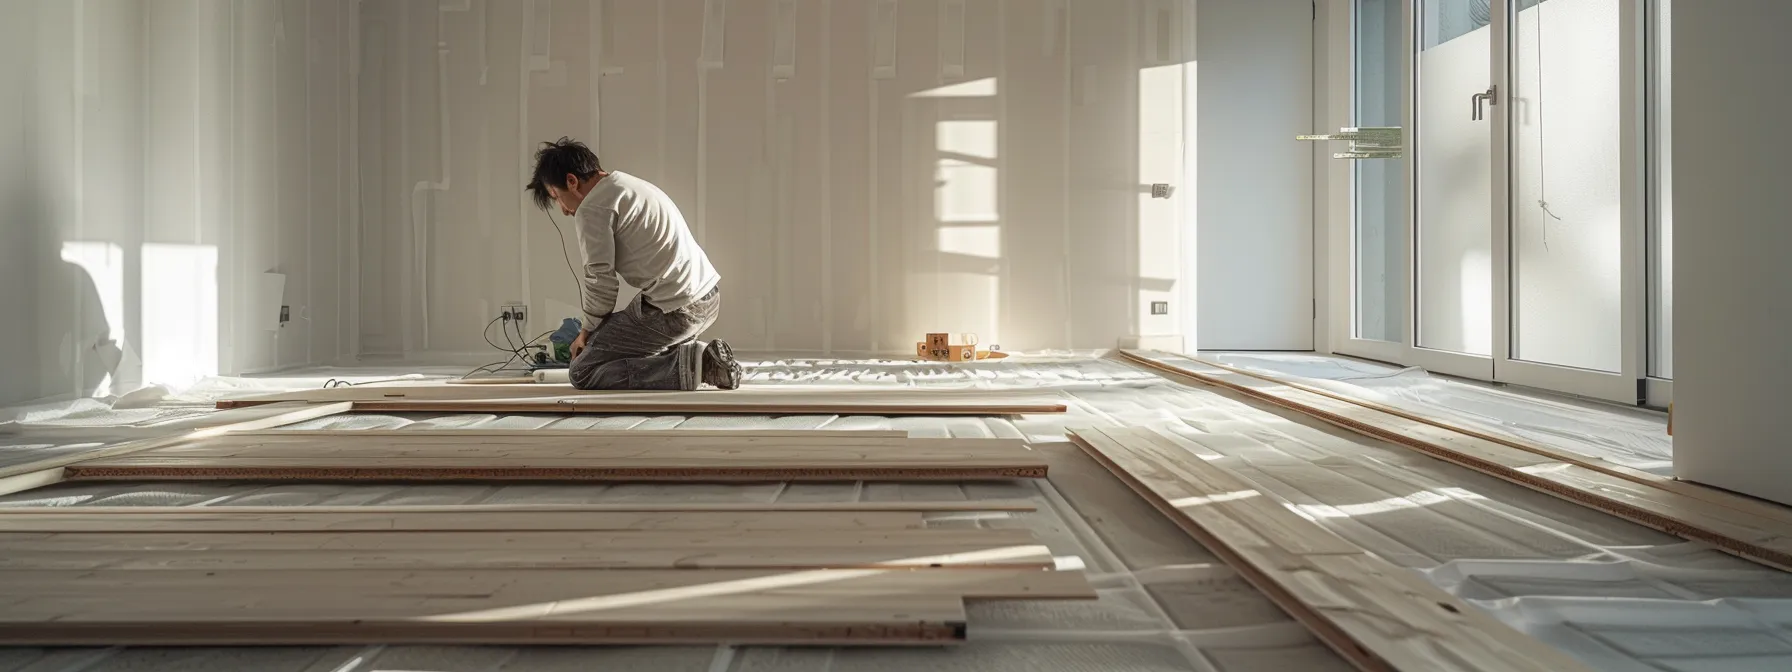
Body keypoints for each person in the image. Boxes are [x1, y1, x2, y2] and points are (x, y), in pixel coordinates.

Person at [525, 137, 741, 391]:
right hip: (708, 299)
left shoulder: (592, 207)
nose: (563, 210)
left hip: (678, 312)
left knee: (583, 371)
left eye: (556, 197)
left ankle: (703, 365)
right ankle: (688, 356)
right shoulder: (627, 184)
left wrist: (586, 332)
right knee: (624, 352)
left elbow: (601, 284)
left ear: (572, 182)